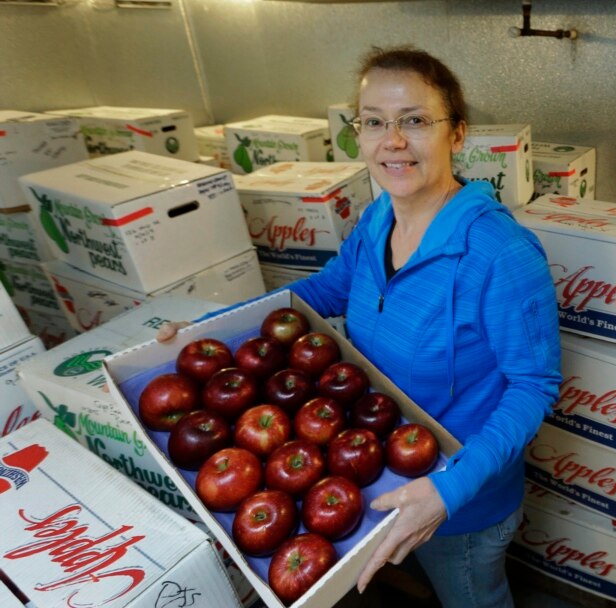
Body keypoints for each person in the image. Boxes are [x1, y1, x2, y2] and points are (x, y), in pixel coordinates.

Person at [161, 46, 561, 607]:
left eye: (415, 121)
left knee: (471, 595)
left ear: (458, 134)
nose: (391, 140)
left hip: (459, 498)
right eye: (373, 122)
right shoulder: (379, 217)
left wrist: (447, 493)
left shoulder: (501, 255)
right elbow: (325, 290)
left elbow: (533, 386)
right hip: (374, 462)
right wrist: (207, 331)